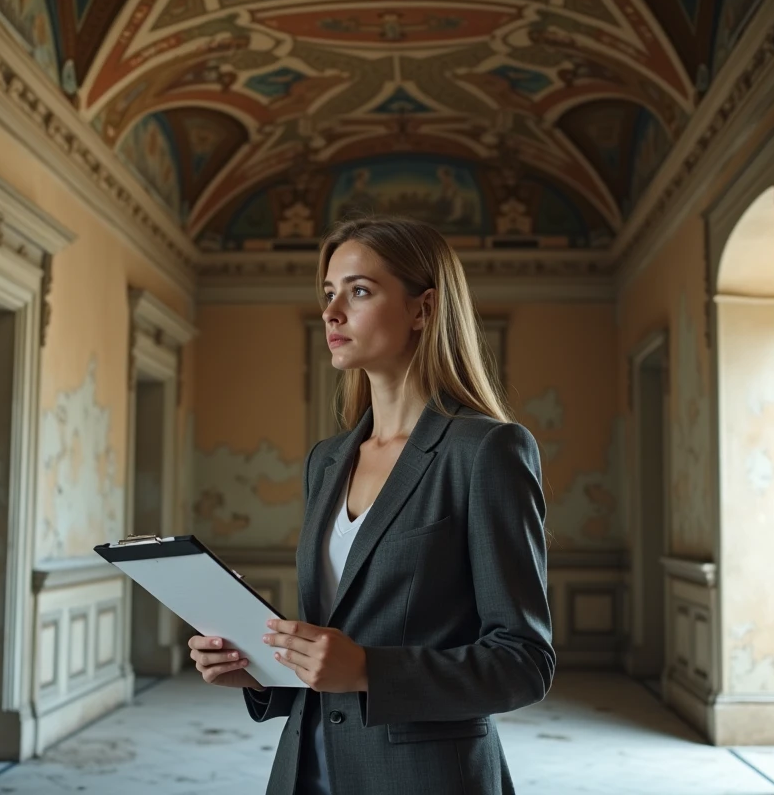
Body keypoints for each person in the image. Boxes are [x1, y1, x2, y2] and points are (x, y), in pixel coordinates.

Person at [188, 216, 555, 794]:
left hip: (425, 779)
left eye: (359, 291)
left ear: (423, 308)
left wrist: (368, 670)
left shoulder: (485, 451)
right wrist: (257, 674)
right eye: (329, 293)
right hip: (307, 770)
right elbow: (332, 650)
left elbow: (524, 664)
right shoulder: (327, 461)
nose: (332, 312)